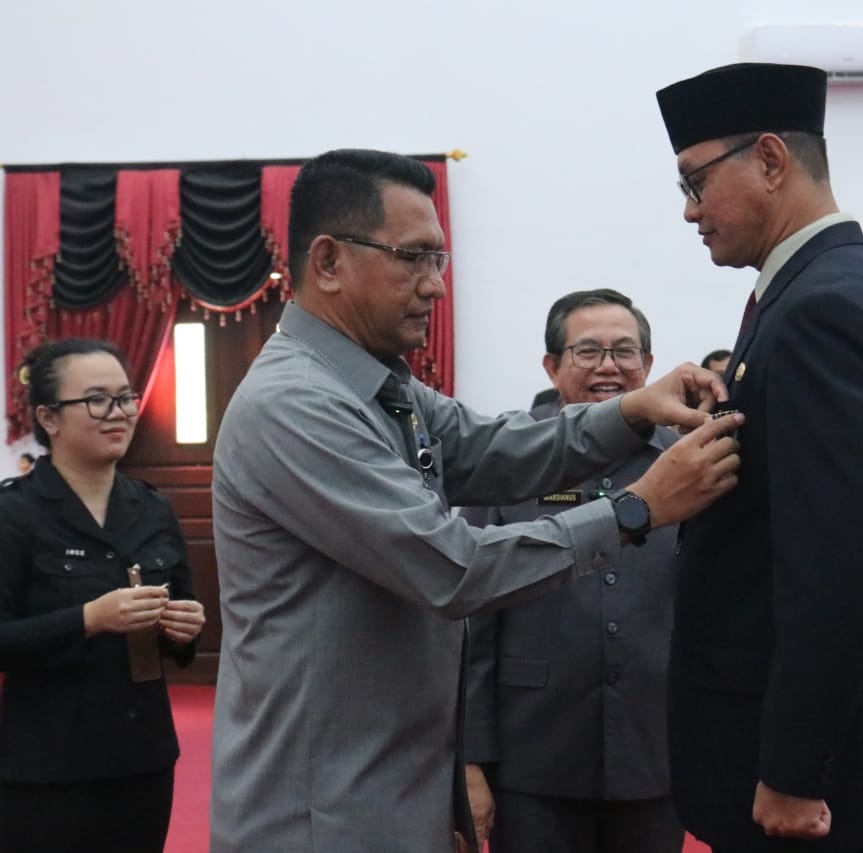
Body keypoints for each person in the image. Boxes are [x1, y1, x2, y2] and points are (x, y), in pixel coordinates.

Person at [209, 148, 743, 852]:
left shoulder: (376, 385)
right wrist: (634, 510)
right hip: (322, 810)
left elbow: (495, 447)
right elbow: (453, 566)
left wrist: (634, 412)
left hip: (386, 784)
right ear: (330, 261)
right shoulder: (298, 404)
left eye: (440, 260)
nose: (434, 285)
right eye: (414, 258)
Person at [655, 63, 863, 851]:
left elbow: (837, 565)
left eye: (695, 181)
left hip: (787, 773)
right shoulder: (811, 289)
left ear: (772, 160)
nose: (689, 211)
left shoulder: (824, 306)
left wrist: (794, 768)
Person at [462, 288, 685, 853]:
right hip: (534, 756)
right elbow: (471, 627)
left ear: (649, 366)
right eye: (588, 352)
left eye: (625, 352)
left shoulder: (687, 461)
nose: (608, 367)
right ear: (552, 366)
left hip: (656, 752)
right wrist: (470, 759)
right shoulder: (508, 462)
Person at [0, 338, 205, 852]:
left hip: (143, 757)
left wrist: (181, 630)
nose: (119, 413)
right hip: (47, 767)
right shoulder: (15, 515)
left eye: (125, 397)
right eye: (97, 400)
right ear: (49, 418)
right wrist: (88, 618)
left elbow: (178, 644)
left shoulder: (153, 509)